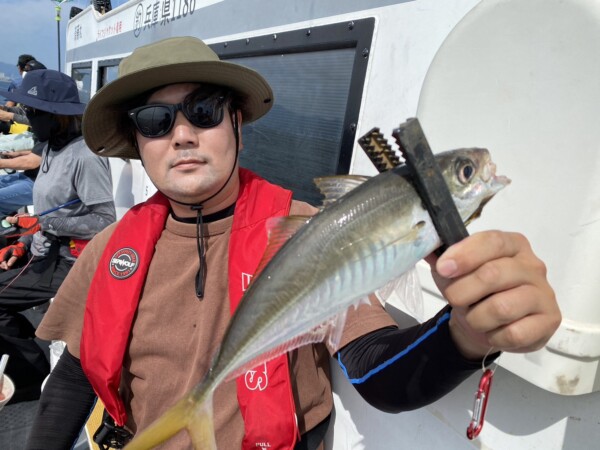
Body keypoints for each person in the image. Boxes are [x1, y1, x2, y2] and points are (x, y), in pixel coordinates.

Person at [26, 37, 560, 449]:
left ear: (238, 122)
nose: (183, 134)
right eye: (155, 120)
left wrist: (463, 333)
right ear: (138, 143)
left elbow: (377, 370)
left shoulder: (307, 229)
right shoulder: (109, 249)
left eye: (205, 111)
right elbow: (72, 380)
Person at [0, 69, 116, 403]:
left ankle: (29, 378)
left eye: (34, 112)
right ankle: (28, 365)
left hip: (71, 263)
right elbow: (48, 209)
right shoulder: (51, 146)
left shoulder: (86, 156)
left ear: (58, 117)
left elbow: (105, 220)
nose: (29, 118)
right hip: (42, 253)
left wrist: (47, 224)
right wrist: (22, 242)